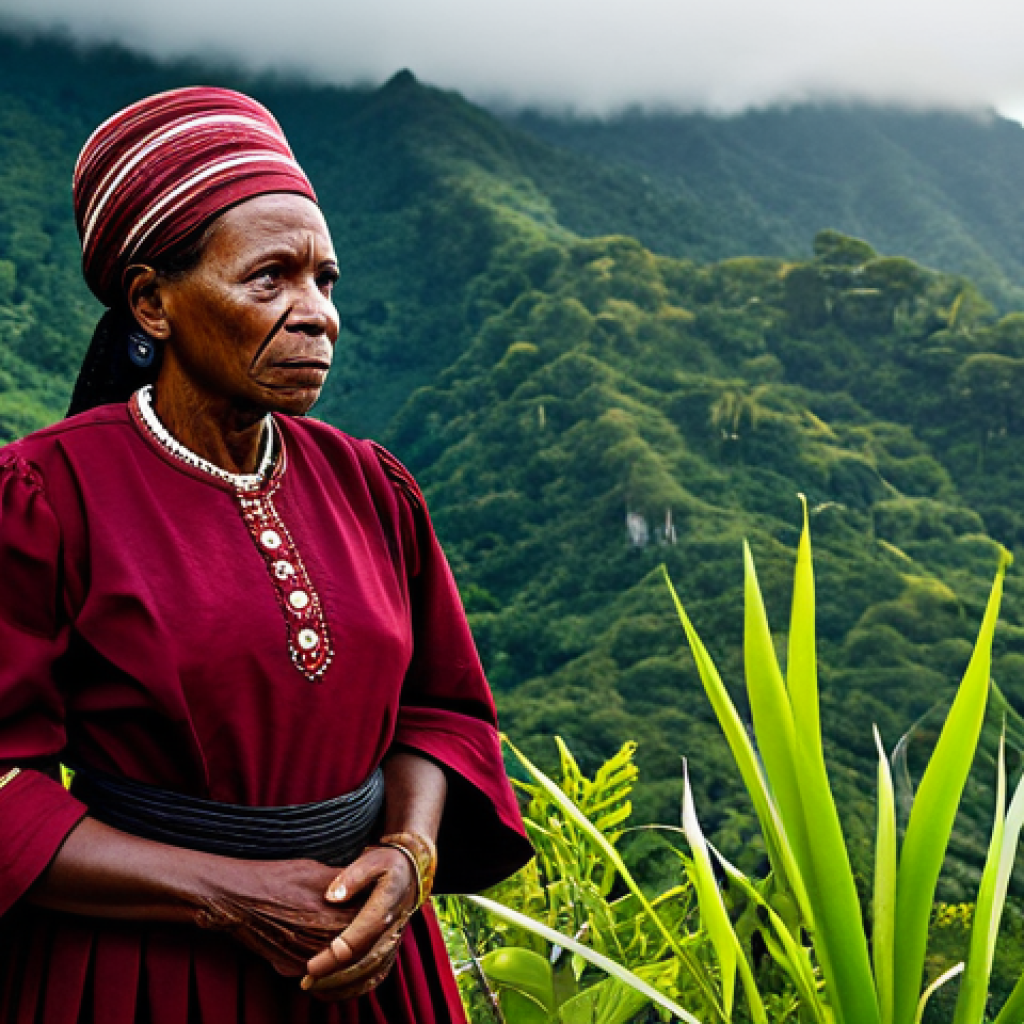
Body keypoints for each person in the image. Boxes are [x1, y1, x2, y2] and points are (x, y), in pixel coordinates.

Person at [0, 86, 532, 1024]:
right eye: (269, 278)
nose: (316, 314)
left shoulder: (373, 487)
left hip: (366, 966)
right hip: (145, 975)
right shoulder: (44, 498)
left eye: (326, 280)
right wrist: (226, 893)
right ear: (153, 303)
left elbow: (440, 711)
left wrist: (407, 855)